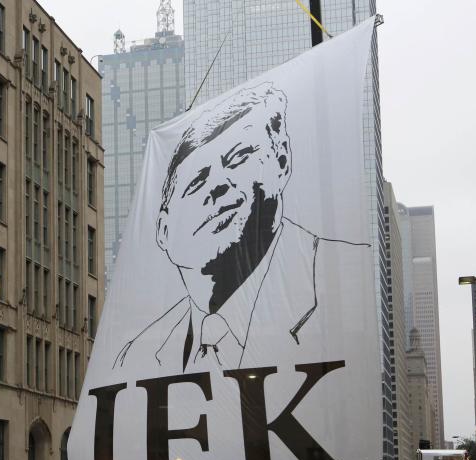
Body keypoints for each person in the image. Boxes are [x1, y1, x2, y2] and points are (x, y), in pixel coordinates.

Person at [114, 83, 369, 372]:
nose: (218, 186)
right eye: (196, 182)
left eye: (238, 158)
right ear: (164, 231)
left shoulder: (349, 275)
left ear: (282, 161)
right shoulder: (134, 358)